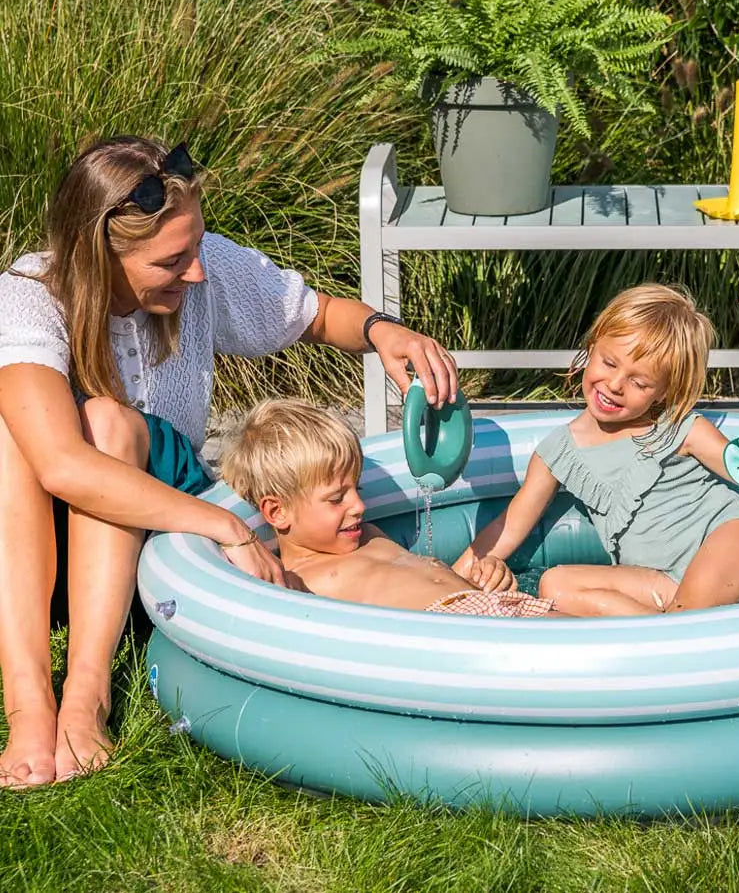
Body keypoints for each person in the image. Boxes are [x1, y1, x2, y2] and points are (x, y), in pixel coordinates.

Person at [0, 136, 460, 787]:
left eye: (195, 247)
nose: (195, 271)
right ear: (101, 256)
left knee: (105, 422)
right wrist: (228, 525)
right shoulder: (28, 296)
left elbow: (318, 315)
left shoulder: (205, 266)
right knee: (13, 436)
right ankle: (28, 703)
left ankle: (86, 696)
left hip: (159, 529)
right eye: (172, 260)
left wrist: (386, 330)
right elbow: (61, 469)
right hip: (58, 542)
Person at [454, 284, 739, 617]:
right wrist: (455, 581)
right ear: (592, 347)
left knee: (689, 611)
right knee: (555, 585)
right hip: (661, 582)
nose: (615, 384)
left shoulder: (681, 429)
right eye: (609, 362)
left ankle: (673, 637)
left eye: (639, 382)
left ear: (665, 391)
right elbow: (509, 527)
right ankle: (662, 634)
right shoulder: (557, 453)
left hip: (728, 542)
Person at [220, 399, 563, 618]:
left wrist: (481, 575)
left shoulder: (366, 535)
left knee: (596, 639)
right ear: (277, 512)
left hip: (486, 609)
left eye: (358, 488)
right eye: (337, 499)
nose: (359, 505)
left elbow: (428, 582)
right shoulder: (296, 582)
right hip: (463, 634)